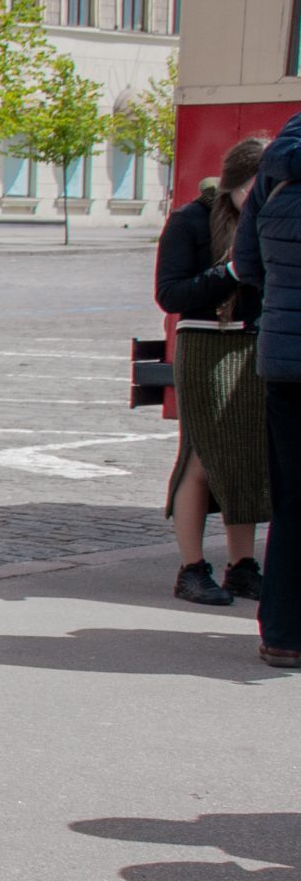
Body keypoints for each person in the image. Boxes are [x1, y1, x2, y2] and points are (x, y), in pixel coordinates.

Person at [156, 137, 268, 606]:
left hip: (251, 346)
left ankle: (242, 566)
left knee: (243, 457)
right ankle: (191, 567)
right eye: (258, 188)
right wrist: (232, 271)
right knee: (201, 458)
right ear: (237, 185)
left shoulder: (264, 221)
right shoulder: (191, 219)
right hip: (205, 347)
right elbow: (171, 294)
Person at [234, 113, 301, 669]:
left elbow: (247, 264)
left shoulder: (274, 170)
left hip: (283, 362)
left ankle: (281, 632)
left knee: (291, 502)